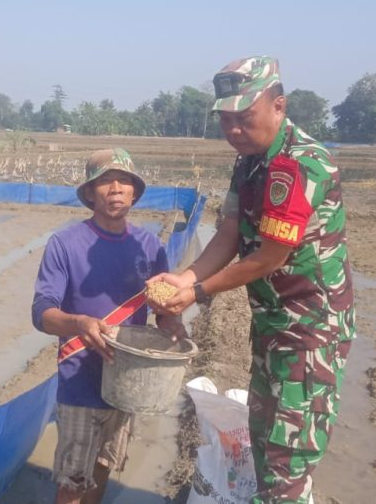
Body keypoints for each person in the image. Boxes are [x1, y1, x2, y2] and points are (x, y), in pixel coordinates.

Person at [146, 56, 356, 504]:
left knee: (286, 466)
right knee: (262, 441)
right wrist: (182, 277)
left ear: (278, 106)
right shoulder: (249, 163)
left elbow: (268, 257)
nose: (234, 130)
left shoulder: (298, 165)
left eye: (245, 118)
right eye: (226, 120)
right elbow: (228, 234)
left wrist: (195, 293)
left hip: (309, 334)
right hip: (274, 324)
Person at [32, 148, 186, 504]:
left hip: (128, 381)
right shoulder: (65, 245)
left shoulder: (150, 248)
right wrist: (79, 322)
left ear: (135, 192)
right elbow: (42, 312)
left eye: (124, 181)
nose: (115, 188)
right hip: (80, 381)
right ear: (90, 193)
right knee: (73, 481)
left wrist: (173, 322)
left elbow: (163, 310)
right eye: (105, 182)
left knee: (104, 467)